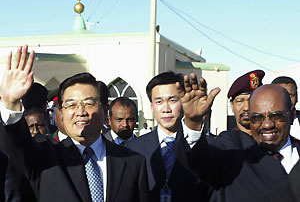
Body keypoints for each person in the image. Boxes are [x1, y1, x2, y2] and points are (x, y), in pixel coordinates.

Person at [0, 45, 149, 202]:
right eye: (71, 104)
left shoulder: (133, 162)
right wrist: (11, 103)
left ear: (105, 111)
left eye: (89, 103)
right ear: (62, 113)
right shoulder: (44, 157)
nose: (80, 111)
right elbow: (17, 146)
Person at [184, 75, 300, 202]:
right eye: (257, 118)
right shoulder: (231, 151)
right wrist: (193, 123)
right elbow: (197, 160)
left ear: (293, 114)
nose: (267, 125)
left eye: (277, 116)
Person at [125, 71, 220, 202]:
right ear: (152, 107)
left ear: (184, 101)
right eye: (159, 102)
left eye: (173, 100)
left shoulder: (206, 146)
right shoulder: (134, 148)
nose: (166, 109)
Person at [227, 70, 265, 135]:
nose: (246, 107)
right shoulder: (225, 142)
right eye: (240, 101)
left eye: (252, 100)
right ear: (232, 105)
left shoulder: (273, 141)